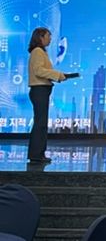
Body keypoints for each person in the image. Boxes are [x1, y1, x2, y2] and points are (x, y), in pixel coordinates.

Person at [27, 27, 66, 163]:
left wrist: (58, 76)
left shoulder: (40, 52)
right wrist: (57, 75)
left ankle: (38, 154)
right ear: (40, 37)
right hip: (39, 90)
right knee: (40, 123)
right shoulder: (38, 51)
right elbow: (39, 71)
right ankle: (36, 154)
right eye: (48, 36)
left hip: (41, 90)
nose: (50, 39)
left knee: (41, 123)